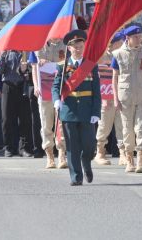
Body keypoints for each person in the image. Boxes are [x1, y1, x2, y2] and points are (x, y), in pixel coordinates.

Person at [52, 30, 101, 186]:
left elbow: (96, 91)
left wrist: (96, 112)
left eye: (81, 46)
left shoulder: (90, 66)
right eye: (75, 47)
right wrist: (56, 100)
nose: (78, 50)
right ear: (69, 48)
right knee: (72, 146)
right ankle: (76, 176)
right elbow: (55, 86)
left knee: (89, 145)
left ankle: (86, 162)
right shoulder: (62, 66)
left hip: (87, 111)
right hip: (69, 110)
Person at [112, 25, 142, 173]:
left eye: (139, 36)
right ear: (127, 38)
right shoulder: (118, 54)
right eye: (135, 36)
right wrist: (115, 98)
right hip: (125, 97)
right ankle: (130, 160)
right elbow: (114, 78)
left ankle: (141, 160)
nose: (138, 38)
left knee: (140, 129)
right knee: (127, 129)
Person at [29, 37, 69, 169]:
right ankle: (50, 155)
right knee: (46, 124)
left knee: (61, 124)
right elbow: (34, 68)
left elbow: (70, 66)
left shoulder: (66, 45)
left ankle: (62, 154)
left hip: (61, 91)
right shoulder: (38, 45)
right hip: (44, 91)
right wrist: (36, 86)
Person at [93, 32, 126, 166]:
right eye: (120, 41)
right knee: (104, 125)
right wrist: (103, 97)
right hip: (106, 97)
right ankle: (100, 152)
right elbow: (100, 78)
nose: (123, 43)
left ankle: (123, 153)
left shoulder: (122, 55)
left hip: (122, 95)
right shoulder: (101, 57)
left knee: (122, 125)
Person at [0, 50, 32, 157]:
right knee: (6, 118)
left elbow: (31, 69)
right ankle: (8, 147)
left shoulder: (26, 51)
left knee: (25, 118)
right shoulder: (5, 52)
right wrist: (3, 55)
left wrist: (25, 67)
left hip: (23, 85)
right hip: (8, 85)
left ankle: (24, 148)